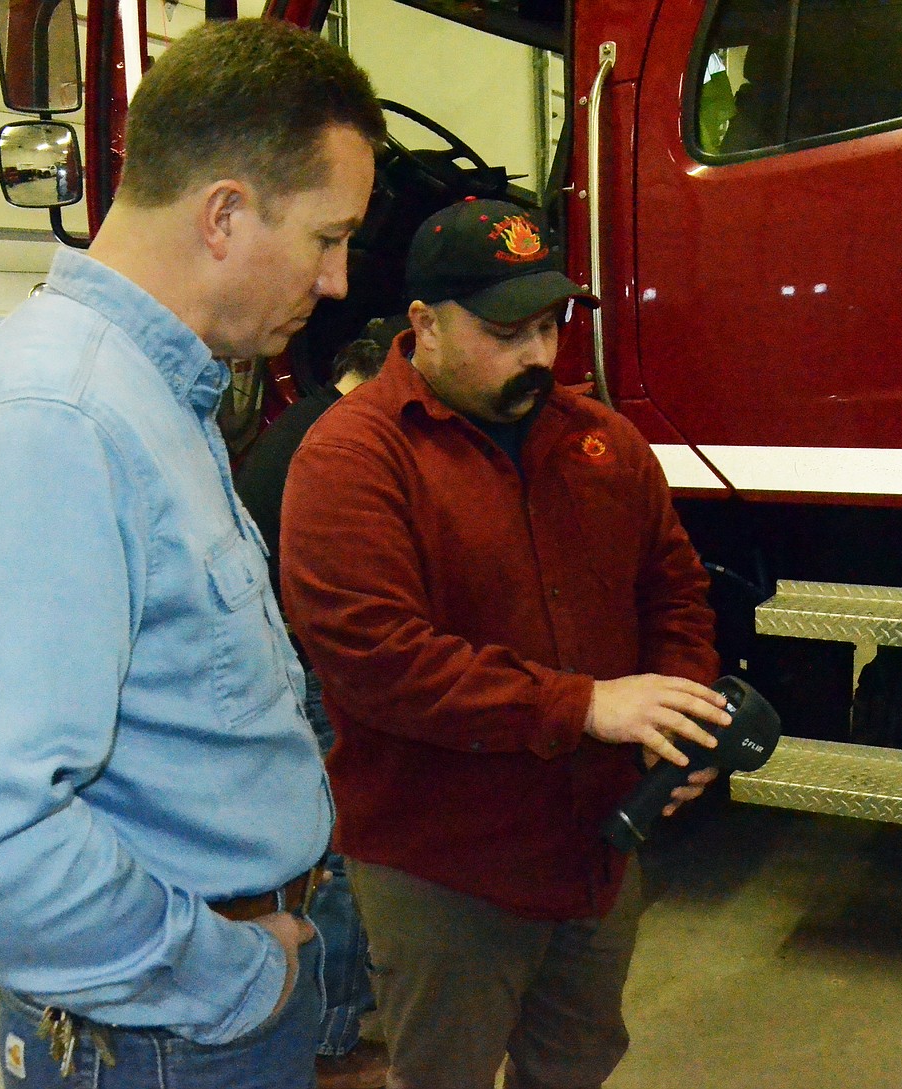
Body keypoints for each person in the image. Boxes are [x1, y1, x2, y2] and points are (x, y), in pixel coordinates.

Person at [0, 18, 384, 1089]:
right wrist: (231, 981)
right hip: (173, 1035)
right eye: (327, 237)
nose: (337, 280)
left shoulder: (154, 392)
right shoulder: (56, 422)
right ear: (223, 214)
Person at [279, 197, 731, 1089]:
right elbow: (380, 661)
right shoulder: (352, 458)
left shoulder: (604, 441)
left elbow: (672, 589)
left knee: (576, 1060)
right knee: (444, 1071)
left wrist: (679, 714)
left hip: (595, 849)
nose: (537, 354)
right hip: (446, 866)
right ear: (424, 324)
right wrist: (587, 704)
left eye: (550, 325)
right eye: (505, 329)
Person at [235, 324, 397, 1089]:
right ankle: (331, 1036)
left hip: (287, 659)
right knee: (341, 848)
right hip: (313, 666)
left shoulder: (296, 425)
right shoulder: (337, 439)